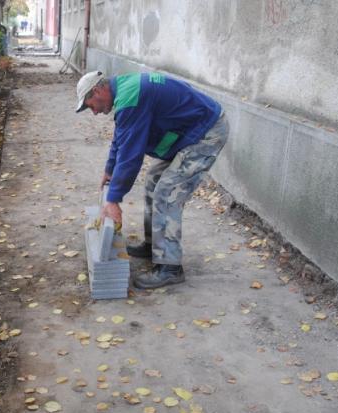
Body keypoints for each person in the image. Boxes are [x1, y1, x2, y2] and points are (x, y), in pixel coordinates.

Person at [75, 71, 229, 289]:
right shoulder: (125, 92)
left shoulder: (130, 98)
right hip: (191, 130)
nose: (94, 112)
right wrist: (110, 169)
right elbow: (121, 136)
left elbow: (131, 154)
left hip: (206, 132)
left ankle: (170, 268)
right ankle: (154, 245)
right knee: (154, 180)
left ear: (98, 90)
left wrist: (113, 199)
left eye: (91, 105)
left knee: (167, 191)